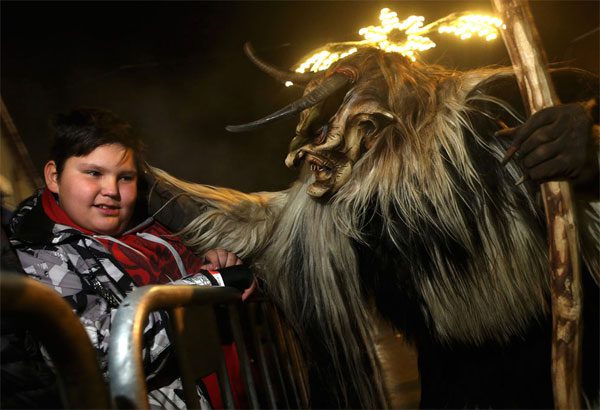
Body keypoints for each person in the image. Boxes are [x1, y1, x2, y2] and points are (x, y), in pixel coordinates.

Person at [3, 108, 253, 409]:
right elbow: (98, 357)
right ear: (54, 177)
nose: (111, 191)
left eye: (125, 177)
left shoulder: (160, 223)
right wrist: (206, 286)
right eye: (93, 173)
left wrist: (217, 261)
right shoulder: (38, 254)